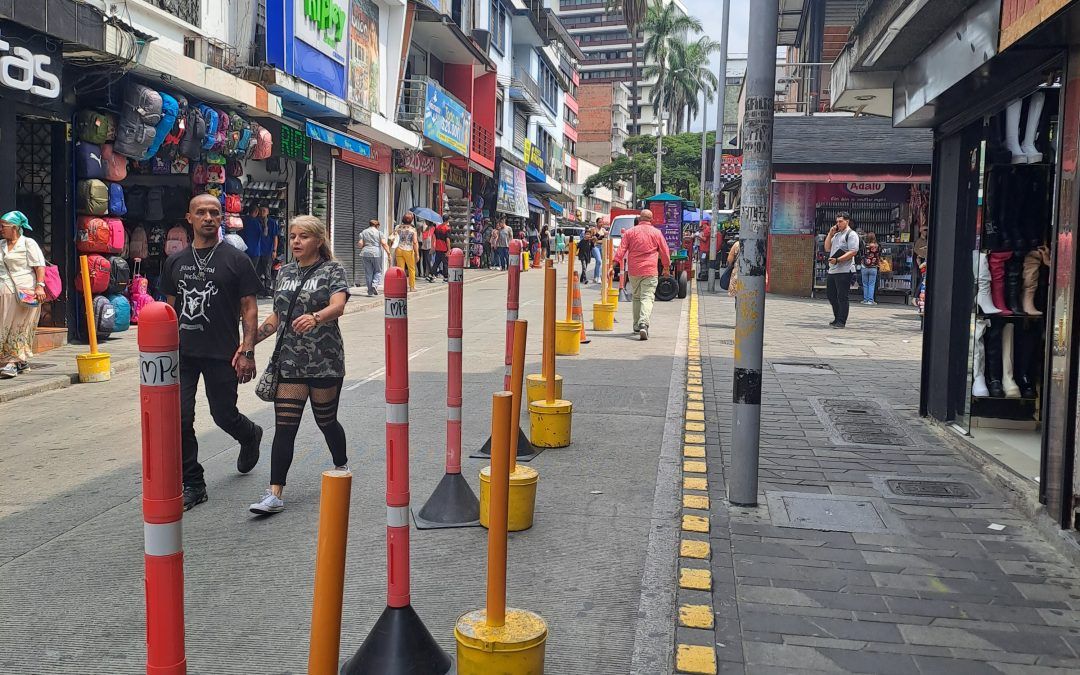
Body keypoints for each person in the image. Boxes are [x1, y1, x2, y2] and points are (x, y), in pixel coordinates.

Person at [161, 194, 264, 511]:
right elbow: (168, 310)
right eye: (201, 212)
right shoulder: (174, 262)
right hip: (183, 354)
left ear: (221, 219)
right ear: (189, 218)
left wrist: (247, 350)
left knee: (223, 415)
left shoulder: (236, 260)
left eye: (214, 213)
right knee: (179, 419)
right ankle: (193, 482)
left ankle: (249, 434)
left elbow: (249, 308)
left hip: (223, 353)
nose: (208, 217)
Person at [248, 216, 350, 515]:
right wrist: (248, 344)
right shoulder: (285, 272)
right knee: (285, 427)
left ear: (318, 240)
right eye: (292, 236)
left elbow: (339, 304)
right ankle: (274, 493)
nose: (295, 241)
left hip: (325, 361)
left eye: (303, 236)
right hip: (290, 362)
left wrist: (317, 317)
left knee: (326, 421)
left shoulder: (333, 269)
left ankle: (341, 464)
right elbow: (276, 317)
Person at [0, 211, 46, 379]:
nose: (1, 229)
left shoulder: (28, 243)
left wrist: (40, 287)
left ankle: (11, 362)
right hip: (4, 293)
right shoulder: (1, 245)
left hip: (24, 294)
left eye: (3, 226)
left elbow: (40, 266)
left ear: (15, 228)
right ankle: (20, 361)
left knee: (19, 326)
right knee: (4, 325)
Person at [613, 209, 671, 340]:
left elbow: (621, 250)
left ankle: (636, 326)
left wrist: (613, 265)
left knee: (637, 297)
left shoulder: (630, 232)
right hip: (650, 270)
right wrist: (666, 267)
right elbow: (664, 251)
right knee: (647, 297)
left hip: (634, 271)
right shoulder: (657, 233)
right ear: (651, 220)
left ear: (639, 219)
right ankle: (643, 323)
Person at [824, 211, 860, 328]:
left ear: (847, 221)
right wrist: (830, 234)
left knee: (842, 296)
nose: (838, 224)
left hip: (845, 270)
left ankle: (841, 320)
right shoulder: (837, 235)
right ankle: (836, 317)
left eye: (840, 221)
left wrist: (838, 259)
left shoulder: (851, 234)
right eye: (837, 222)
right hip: (833, 269)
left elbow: (853, 251)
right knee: (831, 295)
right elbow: (827, 248)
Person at [358, 218, 390, 296]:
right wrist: (389, 253)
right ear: (377, 225)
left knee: (368, 272)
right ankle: (374, 285)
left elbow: (360, 244)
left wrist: (365, 247)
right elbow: (384, 243)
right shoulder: (379, 233)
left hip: (365, 253)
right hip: (376, 253)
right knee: (378, 271)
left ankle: (370, 291)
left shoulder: (363, 232)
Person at [240, 205, 266, 294]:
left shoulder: (243, 220)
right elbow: (263, 234)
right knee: (252, 272)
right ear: (256, 212)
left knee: (243, 271)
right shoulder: (256, 222)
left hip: (244, 250)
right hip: (254, 251)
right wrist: (265, 223)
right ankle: (250, 291)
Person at [258, 207, 280, 297]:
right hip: (259, 250)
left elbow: (275, 237)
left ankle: (267, 291)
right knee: (258, 270)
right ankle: (259, 290)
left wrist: (274, 250)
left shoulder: (272, 222)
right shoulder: (257, 221)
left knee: (267, 271)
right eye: (261, 210)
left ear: (267, 212)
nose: (262, 213)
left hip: (268, 249)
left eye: (264, 211)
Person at [393, 213, 419, 292]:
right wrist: (417, 253)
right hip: (408, 250)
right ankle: (412, 287)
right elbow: (415, 242)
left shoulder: (398, 227)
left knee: (400, 269)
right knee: (411, 269)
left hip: (398, 249)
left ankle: (400, 286)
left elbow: (393, 237)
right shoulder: (413, 229)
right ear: (411, 220)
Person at [860, 231, 880, 305]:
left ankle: (865, 300)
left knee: (865, 284)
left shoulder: (865, 246)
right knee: (871, 284)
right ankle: (870, 300)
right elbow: (878, 255)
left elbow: (861, 254)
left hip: (864, 267)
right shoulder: (877, 246)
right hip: (873, 267)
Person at [591, 218, 607, 283]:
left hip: (602, 246)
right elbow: (590, 237)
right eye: (600, 222)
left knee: (599, 262)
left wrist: (605, 235)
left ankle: (595, 277)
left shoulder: (603, 230)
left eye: (602, 222)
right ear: (597, 223)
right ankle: (598, 277)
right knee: (599, 261)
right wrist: (594, 237)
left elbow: (606, 237)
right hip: (595, 246)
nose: (601, 223)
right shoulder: (593, 229)